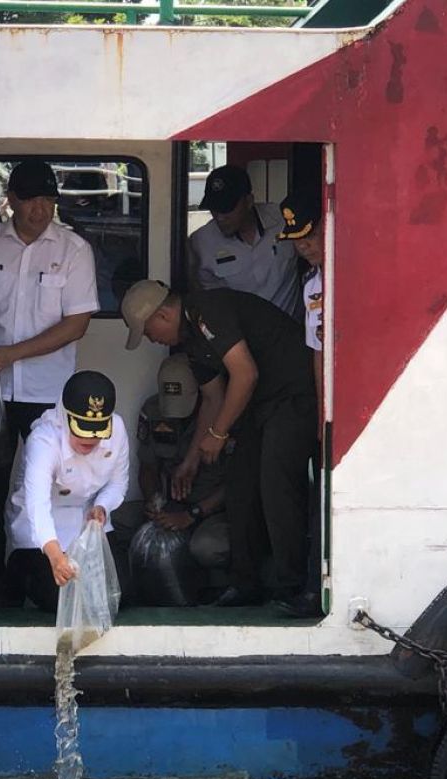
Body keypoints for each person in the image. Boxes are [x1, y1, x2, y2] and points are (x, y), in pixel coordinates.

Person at [121, 279, 316, 613]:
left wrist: (219, 433)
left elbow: (245, 374)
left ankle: (294, 587)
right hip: (259, 406)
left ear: (165, 314)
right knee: (241, 487)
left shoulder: (206, 311)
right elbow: (213, 397)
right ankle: (245, 584)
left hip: (293, 395)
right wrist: (192, 459)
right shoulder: (191, 344)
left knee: (276, 487)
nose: (152, 339)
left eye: (149, 330)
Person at [0, 159, 99, 605]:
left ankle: (48, 588)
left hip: (48, 394)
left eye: (49, 200)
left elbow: (77, 323)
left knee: (50, 492)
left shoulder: (73, 250)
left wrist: (13, 354)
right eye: (32, 200)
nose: (41, 210)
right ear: (11, 200)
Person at [4, 370, 129, 613]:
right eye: (82, 430)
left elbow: (118, 482)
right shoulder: (44, 440)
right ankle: (18, 574)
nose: (90, 440)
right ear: (65, 416)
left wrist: (102, 506)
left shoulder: (118, 430)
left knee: (118, 594)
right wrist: (54, 555)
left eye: (97, 430)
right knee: (61, 601)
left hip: (87, 520)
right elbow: (37, 505)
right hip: (42, 527)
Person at [110, 354, 230, 603]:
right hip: (169, 507)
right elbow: (148, 465)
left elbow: (235, 484)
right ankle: (127, 590)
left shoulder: (224, 419)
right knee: (114, 520)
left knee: (206, 546)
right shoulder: (153, 411)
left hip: (211, 511)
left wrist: (193, 514)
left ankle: (214, 594)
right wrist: (153, 501)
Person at [275, 194, 325, 618]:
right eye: (296, 239)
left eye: (310, 235)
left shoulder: (351, 275)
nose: (304, 245)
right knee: (318, 499)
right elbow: (317, 352)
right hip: (327, 406)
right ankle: (311, 587)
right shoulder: (312, 284)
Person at [188, 165, 300, 320]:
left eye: (227, 208)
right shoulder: (200, 243)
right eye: (214, 209)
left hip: (290, 334)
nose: (220, 217)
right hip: (242, 337)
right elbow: (211, 302)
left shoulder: (285, 221)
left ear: (248, 201)